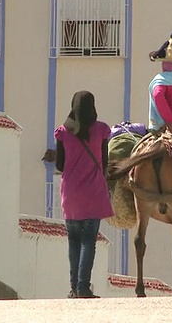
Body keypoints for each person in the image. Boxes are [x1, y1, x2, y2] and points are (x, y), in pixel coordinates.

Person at [54, 91, 114, 299]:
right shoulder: (101, 131)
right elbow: (104, 162)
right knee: (89, 240)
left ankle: (73, 288)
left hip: (70, 194)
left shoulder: (63, 132)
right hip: (93, 192)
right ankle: (83, 287)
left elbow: (60, 165)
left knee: (73, 241)